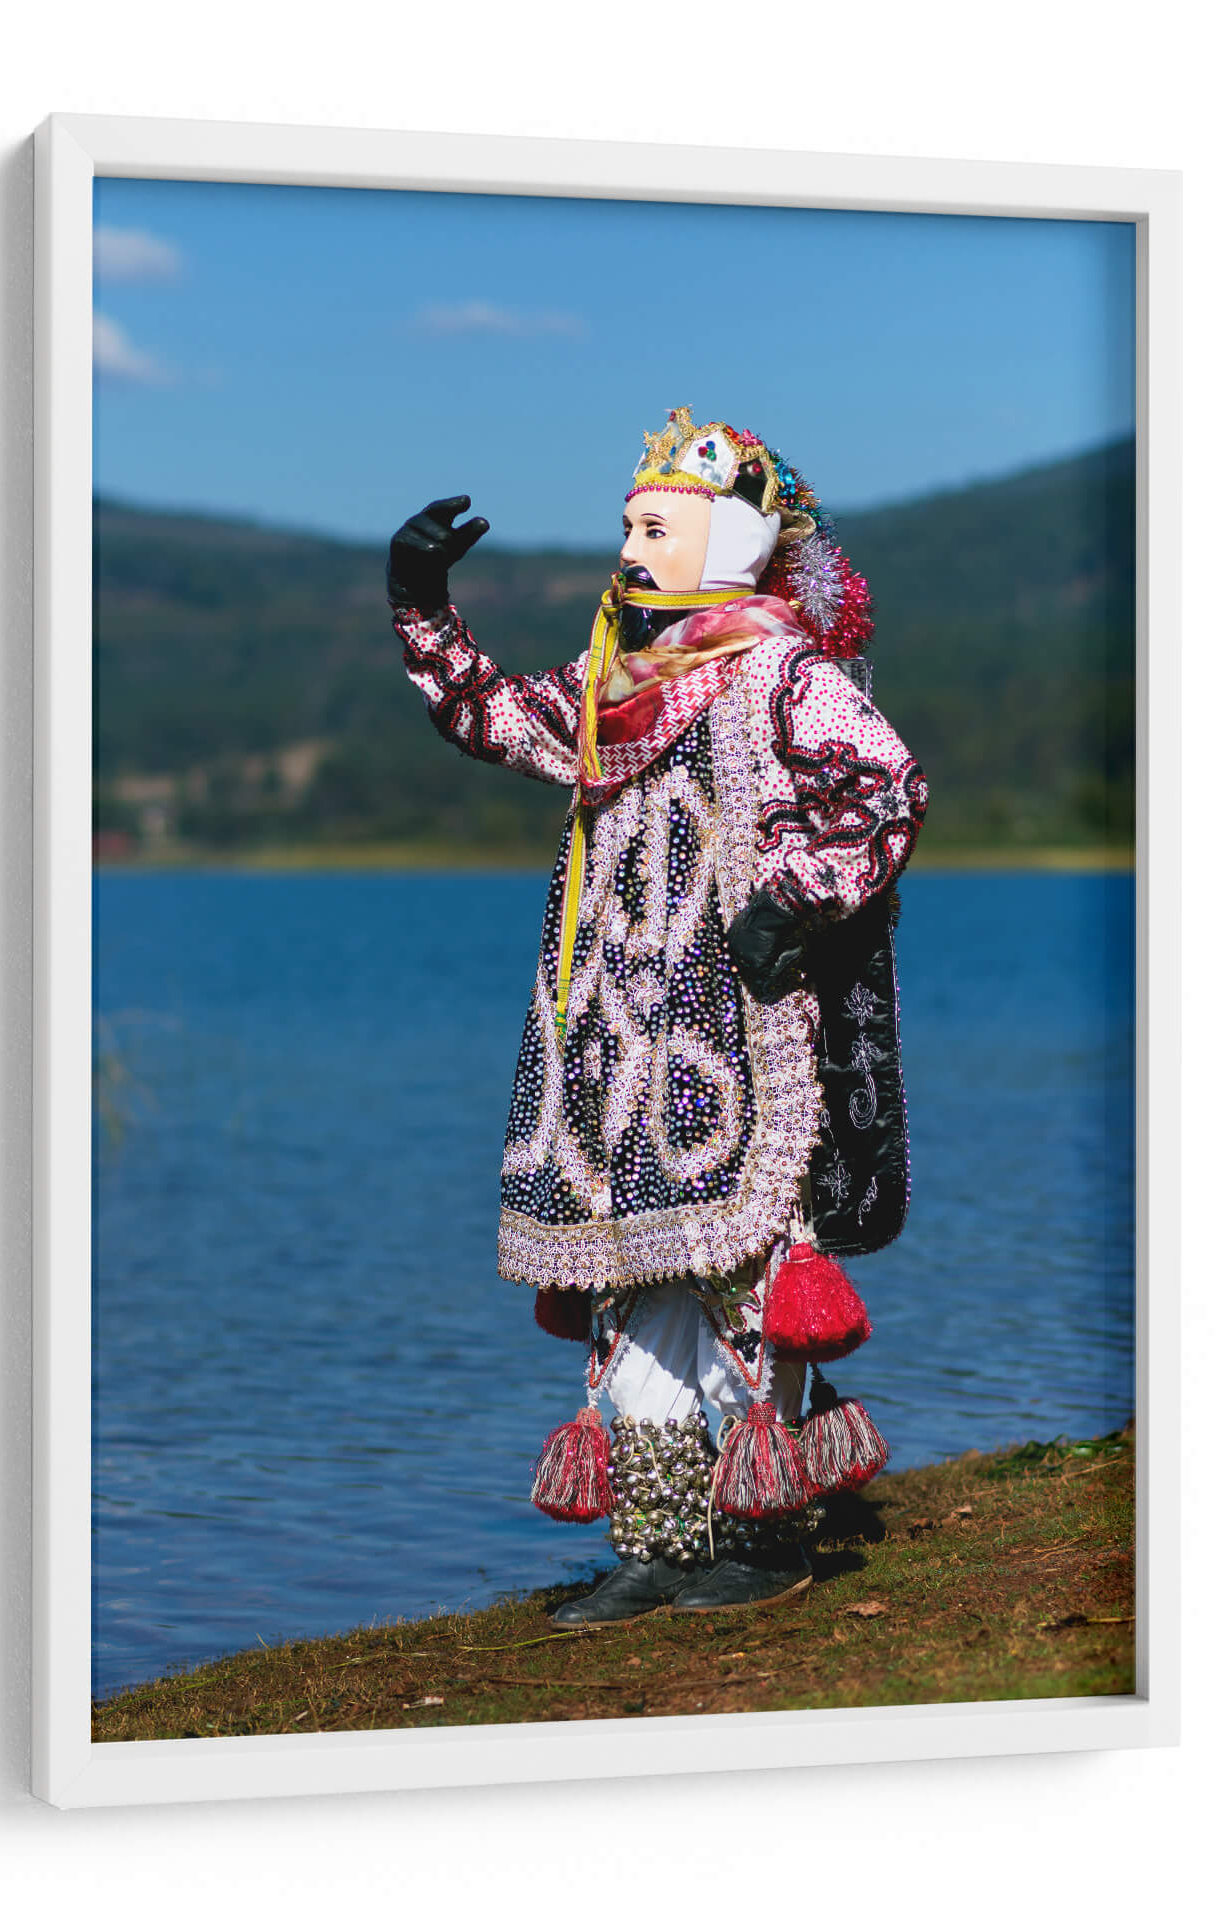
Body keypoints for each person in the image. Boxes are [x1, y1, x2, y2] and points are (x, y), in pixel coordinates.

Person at [388, 407, 928, 1625]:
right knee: (636, 1278)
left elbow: (886, 788)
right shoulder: (607, 694)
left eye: (656, 528)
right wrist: (420, 608)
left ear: (731, 544)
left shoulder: (784, 676)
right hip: (618, 1043)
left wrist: (794, 899)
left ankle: (757, 1527)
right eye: (628, 527)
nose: (630, 550)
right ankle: (660, 1542)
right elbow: (486, 714)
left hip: (738, 1029)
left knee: (740, 1269)